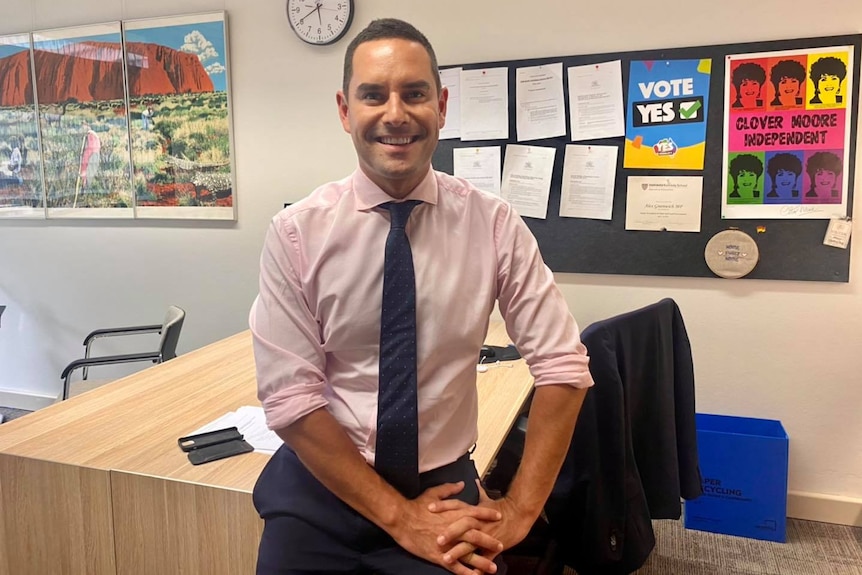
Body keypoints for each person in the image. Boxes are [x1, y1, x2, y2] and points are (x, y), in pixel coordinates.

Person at [249, 17, 592, 575]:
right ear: (344, 111)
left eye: (414, 94)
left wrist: (521, 510)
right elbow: (290, 401)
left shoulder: (494, 226)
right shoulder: (296, 233)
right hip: (321, 488)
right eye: (372, 95)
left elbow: (564, 369)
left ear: (442, 105)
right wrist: (400, 518)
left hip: (444, 489)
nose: (395, 114)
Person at [79, 122, 101, 193]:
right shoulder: (92, 136)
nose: (82, 128)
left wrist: (83, 171)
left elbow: (88, 153)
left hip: (91, 157)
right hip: (93, 157)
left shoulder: (90, 136)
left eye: (84, 126)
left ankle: (85, 189)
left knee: (88, 178)